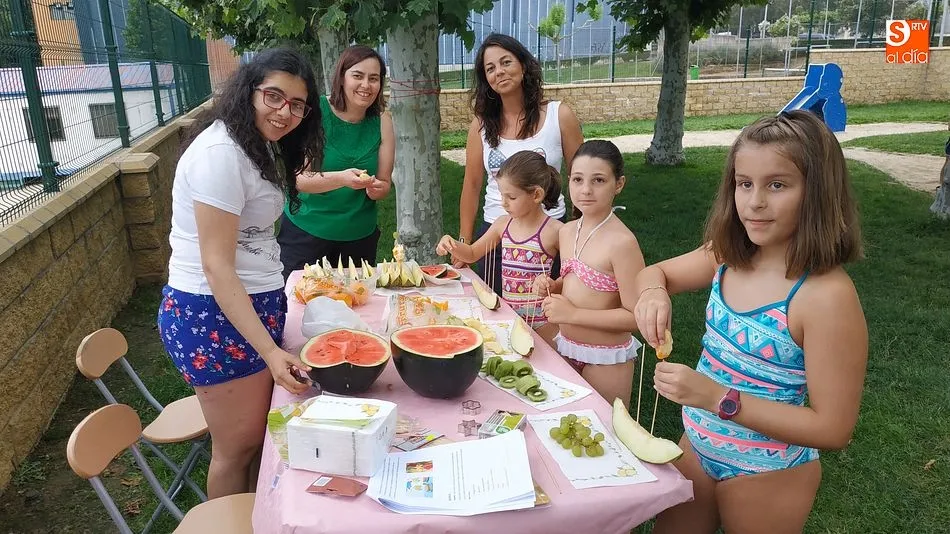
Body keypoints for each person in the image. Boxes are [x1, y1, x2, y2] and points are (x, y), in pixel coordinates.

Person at [633, 110, 868, 533]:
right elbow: (657, 273)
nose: (755, 202)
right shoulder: (727, 255)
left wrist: (718, 398)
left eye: (777, 185)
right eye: (744, 184)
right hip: (698, 447)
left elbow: (834, 429)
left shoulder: (825, 296)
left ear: (817, 192)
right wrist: (652, 294)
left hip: (767, 470)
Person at [156, 48, 322, 499]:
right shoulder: (219, 154)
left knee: (255, 444)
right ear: (248, 92)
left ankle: (256, 517)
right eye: (274, 96)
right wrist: (270, 350)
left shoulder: (254, 145)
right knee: (237, 447)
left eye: (297, 104)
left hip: (243, 308)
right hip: (212, 316)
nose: (284, 112)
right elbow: (216, 267)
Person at [458, 32, 583, 294]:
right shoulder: (480, 126)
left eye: (506, 62)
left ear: (523, 65)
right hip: (495, 235)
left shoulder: (559, 115)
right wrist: (464, 242)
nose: (499, 72)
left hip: (549, 234)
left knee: (547, 313)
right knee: (496, 315)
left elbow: (580, 176)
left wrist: (580, 230)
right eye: (490, 68)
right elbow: (471, 185)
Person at [533, 140, 645, 408]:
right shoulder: (567, 231)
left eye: (598, 180)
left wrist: (573, 314)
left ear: (618, 184)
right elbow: (577, 282)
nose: (585, 190)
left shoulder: (622, 243)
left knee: (605, 436)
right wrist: (553, 285)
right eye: (578, 179)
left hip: (605, 359)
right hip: (566, 345)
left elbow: (636, 317)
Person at [277, 45, 394, 279]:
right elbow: (298, 178)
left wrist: (378, 188)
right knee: (299, 306)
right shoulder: (317, 113)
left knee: (356, 305)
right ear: (342, 77)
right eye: (357, 76)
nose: (366, 85)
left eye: (374, 78)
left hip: (359, 237)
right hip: (306, 233)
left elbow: (384, 184)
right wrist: (343, 178)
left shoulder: (383, 121)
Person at [437, 150, 562, 345]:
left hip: (543, 324)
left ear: (536, 194)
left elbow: (576, 271)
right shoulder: (503, 224)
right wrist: (450, 243)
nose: (503, 203)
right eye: (502, 195)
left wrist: (556, 284)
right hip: (510, 317)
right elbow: (471, 254)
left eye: (511, 197)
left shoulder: (555, 231)